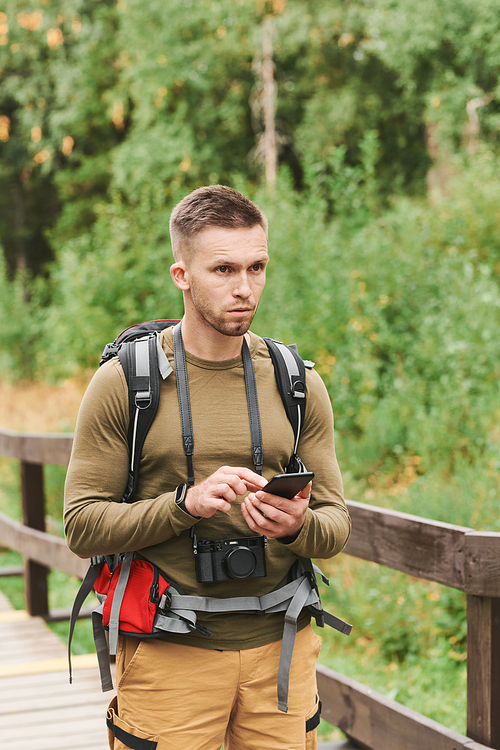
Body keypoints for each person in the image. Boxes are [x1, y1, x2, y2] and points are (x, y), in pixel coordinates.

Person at [64, 185, 351, 750]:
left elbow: (336, 526)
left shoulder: (297, 383)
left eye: (257, 267)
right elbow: (81, 525)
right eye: (223, 269)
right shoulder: (126, 383)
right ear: (182, 274)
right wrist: (184, 506)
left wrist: (295, 526)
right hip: (168, 658)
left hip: (281, 657)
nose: (245, 289)